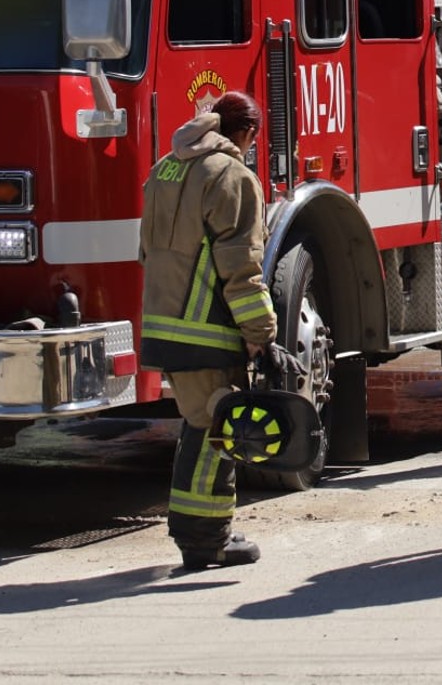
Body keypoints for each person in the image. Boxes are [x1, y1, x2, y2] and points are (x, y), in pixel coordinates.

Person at [138, 91, 279, 569]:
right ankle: (205, 540)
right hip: (207, 329)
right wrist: (260, 330)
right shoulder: (232, 176)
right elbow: (241, 267)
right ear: (248, 133)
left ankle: (200, 534)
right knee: (214, 430)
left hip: (163, 324)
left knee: (199, 423)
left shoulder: (164, 169)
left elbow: (146, 250)